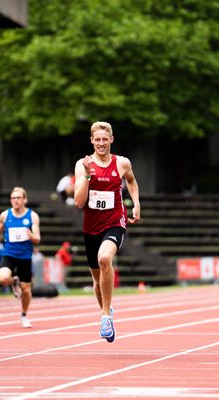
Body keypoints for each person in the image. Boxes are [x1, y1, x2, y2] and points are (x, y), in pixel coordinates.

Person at [74, 121, 141, 343]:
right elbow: (78, 202)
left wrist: (136, 203)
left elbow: (131, 181)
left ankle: (105, 317)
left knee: (105, 259)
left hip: (115, 221)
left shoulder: (122, 163)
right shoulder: (82, 165)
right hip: (91, 226)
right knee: (96, 280)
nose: (101, 143)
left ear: (111, 139)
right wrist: (87, 176)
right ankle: (107, 309)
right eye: (97, 139)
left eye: (105, 139)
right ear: (91, 141)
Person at [0, 187, 40, 328]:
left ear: (24, 200)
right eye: (13, 198)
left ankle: (24, 315)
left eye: (18, 198)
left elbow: (37, 238)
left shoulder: (32, 216)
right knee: (3, 277)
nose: (16, 200)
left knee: (26, 290)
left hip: (25, 256)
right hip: (9, 254)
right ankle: (13, 282)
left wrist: (31, 236)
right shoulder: (5, 216)